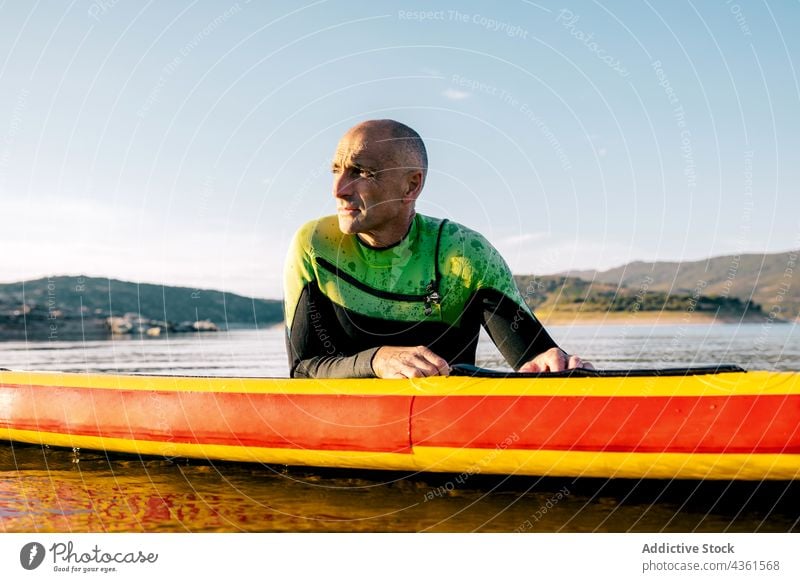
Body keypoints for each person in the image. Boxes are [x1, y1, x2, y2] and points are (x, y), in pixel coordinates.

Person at [284, 119, 591, 379]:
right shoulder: (316, 246)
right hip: (348, 432)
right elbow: (302, 370)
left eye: (361, 172)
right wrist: (377, 360)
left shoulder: (463, 254)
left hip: (446, 433)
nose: (338, 190)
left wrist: (556, 364)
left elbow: (535, 359)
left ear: (411, 185)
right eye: (336, 170)